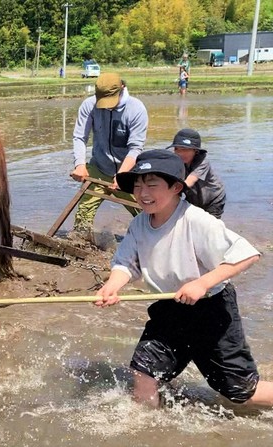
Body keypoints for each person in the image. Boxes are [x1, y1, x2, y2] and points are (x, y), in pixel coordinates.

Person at [94, 149, 272, 409]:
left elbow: (246, 254)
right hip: (168, 309)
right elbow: (126, 264)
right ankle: (146, 427)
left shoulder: (197, 220)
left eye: (152, 185)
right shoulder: (138, 225)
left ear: (176, 187)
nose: (143, 193)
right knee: (144, 370)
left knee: (239, 392)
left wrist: (202, 283)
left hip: (211, 311)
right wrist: (112, 285)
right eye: (138, 185)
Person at [70, 73, 148, 239]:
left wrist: (122, 175)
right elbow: (79, 137)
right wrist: (80, 165)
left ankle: (150, 241)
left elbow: (135, 148)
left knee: (146, 211)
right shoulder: (89, 105)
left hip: (128, 171)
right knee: (84, 213)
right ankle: (81, 241)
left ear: (121, 89)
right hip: (99, 166)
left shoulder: (136, 109)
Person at [167, 128, 226, 218]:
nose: (181, 153)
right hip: (193, 197)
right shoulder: (176, 160)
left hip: (213, 199)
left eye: (185, 150)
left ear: (195, 151)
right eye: (177, 149)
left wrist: (167, 193)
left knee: (210, 225)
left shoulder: (203, 162)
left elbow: (189, 181)